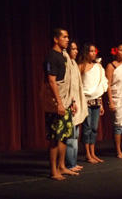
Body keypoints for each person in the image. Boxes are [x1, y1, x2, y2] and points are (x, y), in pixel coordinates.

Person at [41, 28, 79, 180]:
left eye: (68, 37)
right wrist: (59, 103)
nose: (67, 39)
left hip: (66, 101)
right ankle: (53, 170)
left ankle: (62, 167)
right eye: (64, 37)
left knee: (64, 136)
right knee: (55, 136)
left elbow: (68, 83)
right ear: (56, 39)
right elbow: (52, 81)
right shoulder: (52, 56)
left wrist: (72, 101)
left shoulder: (64, 56)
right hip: (56, 102)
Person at [78, 43, 108, 163]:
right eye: (91, 51)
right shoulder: (81, 66)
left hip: (96, 100)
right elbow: (78, 85)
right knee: (87, 127)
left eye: (94, 51)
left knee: (94, 128)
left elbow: (100, 86)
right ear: (85, 52)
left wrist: (101, 104)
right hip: (85, 100)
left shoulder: (98, 67)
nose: (93, 53)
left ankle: (93, 152)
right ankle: (87, 154)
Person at [65, 40, 88, 171]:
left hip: (76, 102)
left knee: (75, 136)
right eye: (73, 49)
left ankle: (73, 162)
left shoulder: (73, 63)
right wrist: (72, 102)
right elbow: (69, 86)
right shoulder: (67, 63)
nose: (76, 51)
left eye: (76, 49)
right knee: (70, 137)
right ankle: (69, 164)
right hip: (71, 103)